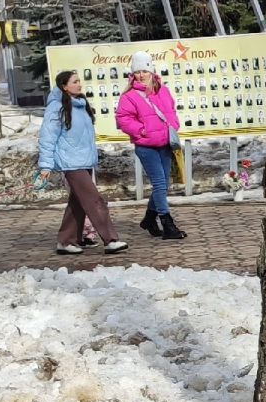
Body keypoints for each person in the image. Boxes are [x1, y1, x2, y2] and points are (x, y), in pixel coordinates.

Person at [39, 71, 128, 255]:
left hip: (85, 161)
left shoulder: (81, 105)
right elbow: (47, 137)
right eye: (75, 82)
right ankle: (111, 240)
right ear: (64, 86)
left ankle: (66, 241)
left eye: (79, 81)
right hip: (71, 162)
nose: (80, 85)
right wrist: (46, 165)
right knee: (95, 200)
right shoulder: (56, 107)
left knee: (78, 203)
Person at [115, 51, 187, 240]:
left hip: (164, 143)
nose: (141, 75)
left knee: (165, 184)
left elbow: (171, 110)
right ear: (132, 74)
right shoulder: (129, 96)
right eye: (137, 71)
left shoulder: (163, 90)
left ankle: (149, 219)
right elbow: (123, 118)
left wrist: (173, 126)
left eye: (144, 71)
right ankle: (167, 223)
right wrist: (141, 131)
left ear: (151, 71)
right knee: (160, 183)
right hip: (146, 146)